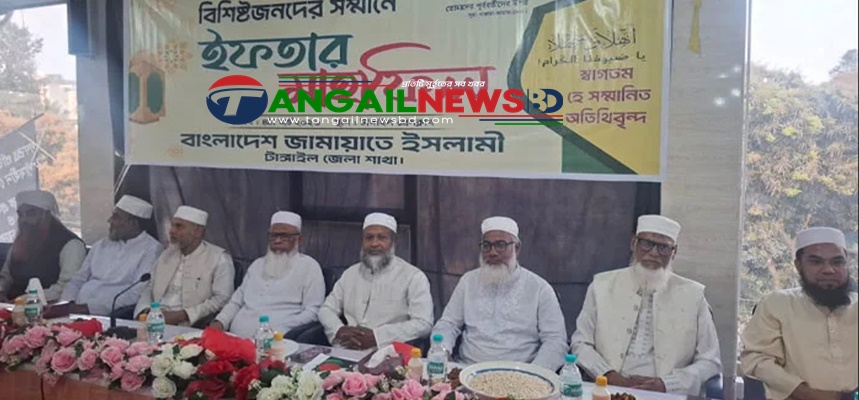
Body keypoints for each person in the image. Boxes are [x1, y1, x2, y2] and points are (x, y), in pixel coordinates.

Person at [571, 215, 721, 395]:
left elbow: (710, 361)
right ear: (633, 244)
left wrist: (667, 384)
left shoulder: (694, 296)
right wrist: (608, 375)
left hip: (667, 393)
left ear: (674, 252)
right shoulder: (601, 286)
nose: (654, 253)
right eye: (646, 244)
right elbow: (580, 343)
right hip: (607, 389)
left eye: (664, 247)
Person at [432, 216, 568, 372]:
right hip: (468, 370)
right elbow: (448, 324)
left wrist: (534, 374)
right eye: (486, 245)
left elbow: (555, 340)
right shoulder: (468, 281)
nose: (492, 252)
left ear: (517, 248)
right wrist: (442, 352)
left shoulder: (539, 288)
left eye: (500, 245)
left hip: (521, 375)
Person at [740, 227, 858, 400]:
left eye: (837, 262)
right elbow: (756, 359)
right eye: (816, 262)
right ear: (798, 265)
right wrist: (807, 394)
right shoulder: (777, 304)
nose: (829, 270)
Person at [318, 212, 433, 350]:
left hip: (389, 353)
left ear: (394, 241)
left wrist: (378, 337)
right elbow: (326, 309)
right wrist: (338, 329)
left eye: (382, 237)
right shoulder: (350, 274)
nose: (374, 244)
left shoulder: (413, 277)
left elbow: (424, 323)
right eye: (369, 238)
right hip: (346, 349)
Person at [211, 211, 325, 338]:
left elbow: (313, 311)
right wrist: (220, 321)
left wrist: (282, 329)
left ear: (300, 239)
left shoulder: (309, 267)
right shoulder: (257, 265)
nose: (277, 240)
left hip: (278, 341)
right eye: (273, 235)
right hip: (235, 339)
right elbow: (236, 302)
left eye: (284, 236)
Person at [60, 196, 163, 316]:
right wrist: (66, 303)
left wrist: (88, 308)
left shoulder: (152, 249)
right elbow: (78, 279)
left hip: (110, 315)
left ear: (134, 223)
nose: (110, 221)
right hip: (75, 310)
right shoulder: (101, 245)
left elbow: (135, 294)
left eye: (116, 217)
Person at [134, 206, 234, 327]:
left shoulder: (219, 258)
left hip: (188, 325)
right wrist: (145, 310)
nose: (172, 231)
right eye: (172, 225)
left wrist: (184, 315)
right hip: (154, 320)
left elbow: (222, 299)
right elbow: (150, 287)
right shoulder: (166, 254)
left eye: (179, 226)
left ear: (198, 232)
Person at [0, 190, 86, 302]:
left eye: (31, 213)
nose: (24, 220)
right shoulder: (22, 241)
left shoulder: (71, 245)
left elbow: (66, 287)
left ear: (46, 215)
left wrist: (25, 300)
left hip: (46, 308)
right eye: (21, 214)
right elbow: (6, 276)